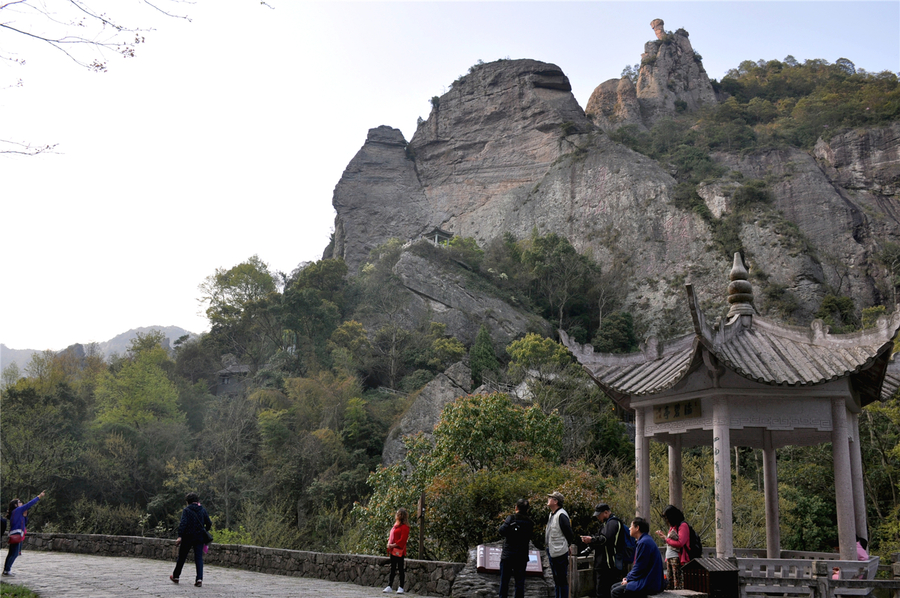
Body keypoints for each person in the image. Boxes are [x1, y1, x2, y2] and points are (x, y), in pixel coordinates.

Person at [580, 503, 627, 598]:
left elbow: (605, 539)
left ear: (606, 512)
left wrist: (591, 540)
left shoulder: (613, 523)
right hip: (603, 564)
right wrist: (590, 543)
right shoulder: (605, 524)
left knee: (604, 592)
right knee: (602, 591)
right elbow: (599, 538)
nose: (597, 517)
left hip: (609, 565)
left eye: (599, 514)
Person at [611, 518, 664, 598]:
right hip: (648, 579)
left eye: (631, 526)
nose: (629, 528)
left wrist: (628, 579)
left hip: (649, 582)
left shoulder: (644, 543)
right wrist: (627, 578)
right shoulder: (646, 540)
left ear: (637, 528)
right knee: (614, 587)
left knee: (616, 592)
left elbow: (640, 567)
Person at [169, 492, 211, 587]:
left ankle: (176, 577)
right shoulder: (202, 510)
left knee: (182, 557)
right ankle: (199, 579)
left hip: (187, 537)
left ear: (188, 502)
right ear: (197, 501)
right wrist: (204, 530)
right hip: (199, 537)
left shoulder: (187, 510)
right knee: (198, 558)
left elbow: (183, 524)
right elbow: (209, 523)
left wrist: (180, 536)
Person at [498, 498, 535, 598]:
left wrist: (507, 524)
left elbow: (501, 531)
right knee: (520, 583)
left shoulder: (511, 518)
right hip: (521, 555)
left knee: (504, 581)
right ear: (527, 510)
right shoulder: (530, 522)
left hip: (508, 555)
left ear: (516, 507)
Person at [3, 491, 45, 577]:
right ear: (16, 505)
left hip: (15, 533)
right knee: (14, 554)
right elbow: (29, 504)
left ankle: (6, 570)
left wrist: (25, 516)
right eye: (19, 502)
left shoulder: (17, 513)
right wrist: (39, 496)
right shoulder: (18, 510)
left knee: (11, 553)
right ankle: (7, 570)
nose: (22, 503)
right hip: (17, 534)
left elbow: (25, 523)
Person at [544, 491, 576, 598]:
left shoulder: (561, 515)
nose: (548, 500)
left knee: (561, 579)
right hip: (552, 550)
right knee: (556, 579)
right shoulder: (552, 514)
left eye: (551, 498)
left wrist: (568, 545)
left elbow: (569, 533)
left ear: (556, 501)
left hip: (559, 551)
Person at [655, 504, 689, 590]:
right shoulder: (673, 527)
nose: (666, 520)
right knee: (670, 583)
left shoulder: (683, 525)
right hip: (669, 557)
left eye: (667, 517)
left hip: (677, 558)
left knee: (678, 582)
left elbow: (680, 543)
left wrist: (665, 539)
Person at [383, 507, 410, 594]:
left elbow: (402, 540)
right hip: (393, 549)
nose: (398, 516)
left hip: (399, 550)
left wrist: (392, 545)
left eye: (399, 514)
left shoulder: (405, 527)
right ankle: (389, 585)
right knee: (393, 568)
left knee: (400, 568)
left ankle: (401, 586)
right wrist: (390, 544)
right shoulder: (396, 525)